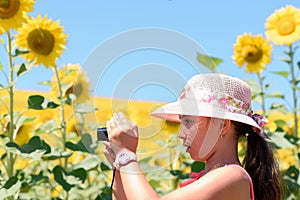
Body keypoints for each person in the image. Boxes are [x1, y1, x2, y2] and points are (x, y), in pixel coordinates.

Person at [103, 73, 282, 200]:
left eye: (188, 122)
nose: (181, 134)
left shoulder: (232, 176)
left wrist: (127, 155)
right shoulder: (210, 178)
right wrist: (119, 167)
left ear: (222, 126)